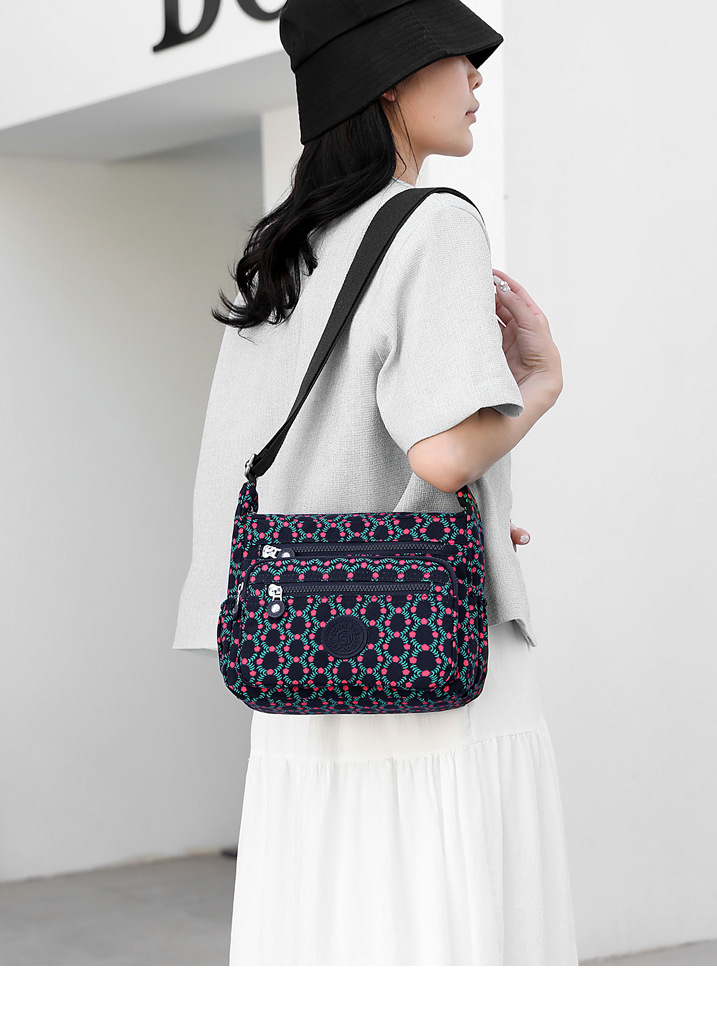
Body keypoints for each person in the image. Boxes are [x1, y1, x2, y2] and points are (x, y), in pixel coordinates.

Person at [173, 0, 578, 965]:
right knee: (444, 910)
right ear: (389, 80)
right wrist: (541, 383)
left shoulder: (281, 251)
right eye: (457, 56)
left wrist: (461, 520)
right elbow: (441, 454)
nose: (477, 76)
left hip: (293, 645)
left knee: (332, 922)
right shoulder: (433, 223)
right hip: (421, 643)